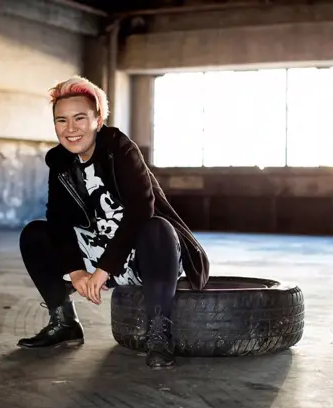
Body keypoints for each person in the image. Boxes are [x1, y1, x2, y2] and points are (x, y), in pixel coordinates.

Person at [17, 75, 210, 369]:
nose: (70, 129)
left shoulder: (119, 148)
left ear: (98, 119)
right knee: (35, 234)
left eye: (80, 118)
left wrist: (104, 269)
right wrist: (77, 271)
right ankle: (64, 322)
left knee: (157, 227)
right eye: (61, 120)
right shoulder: (58, 160)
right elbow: (58, 219)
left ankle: (159, 334)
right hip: (98, 246)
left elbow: (141, 211)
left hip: (146, 253)